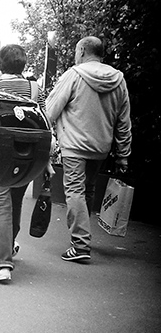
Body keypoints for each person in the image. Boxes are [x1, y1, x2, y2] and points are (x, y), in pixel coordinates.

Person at [45, 36, 131, 263]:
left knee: (74, 191)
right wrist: (123, 155)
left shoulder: (74, 75)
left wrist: (44, 137)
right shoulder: (119, 79)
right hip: (101, 147)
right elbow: (124, 121)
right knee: (88, 190)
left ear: (82, 50)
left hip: (74, 146)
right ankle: (83, 236)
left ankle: (80, 243)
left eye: (76, 51)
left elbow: (51, 109)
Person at [0, 44, 47, 283]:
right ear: (24, 65)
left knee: (0, 203)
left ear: (0, 65)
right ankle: (8, 246)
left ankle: (1, 264)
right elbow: (45, 119)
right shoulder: (34, 89)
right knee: (16, 199)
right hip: (28, 155)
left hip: (0, 156)